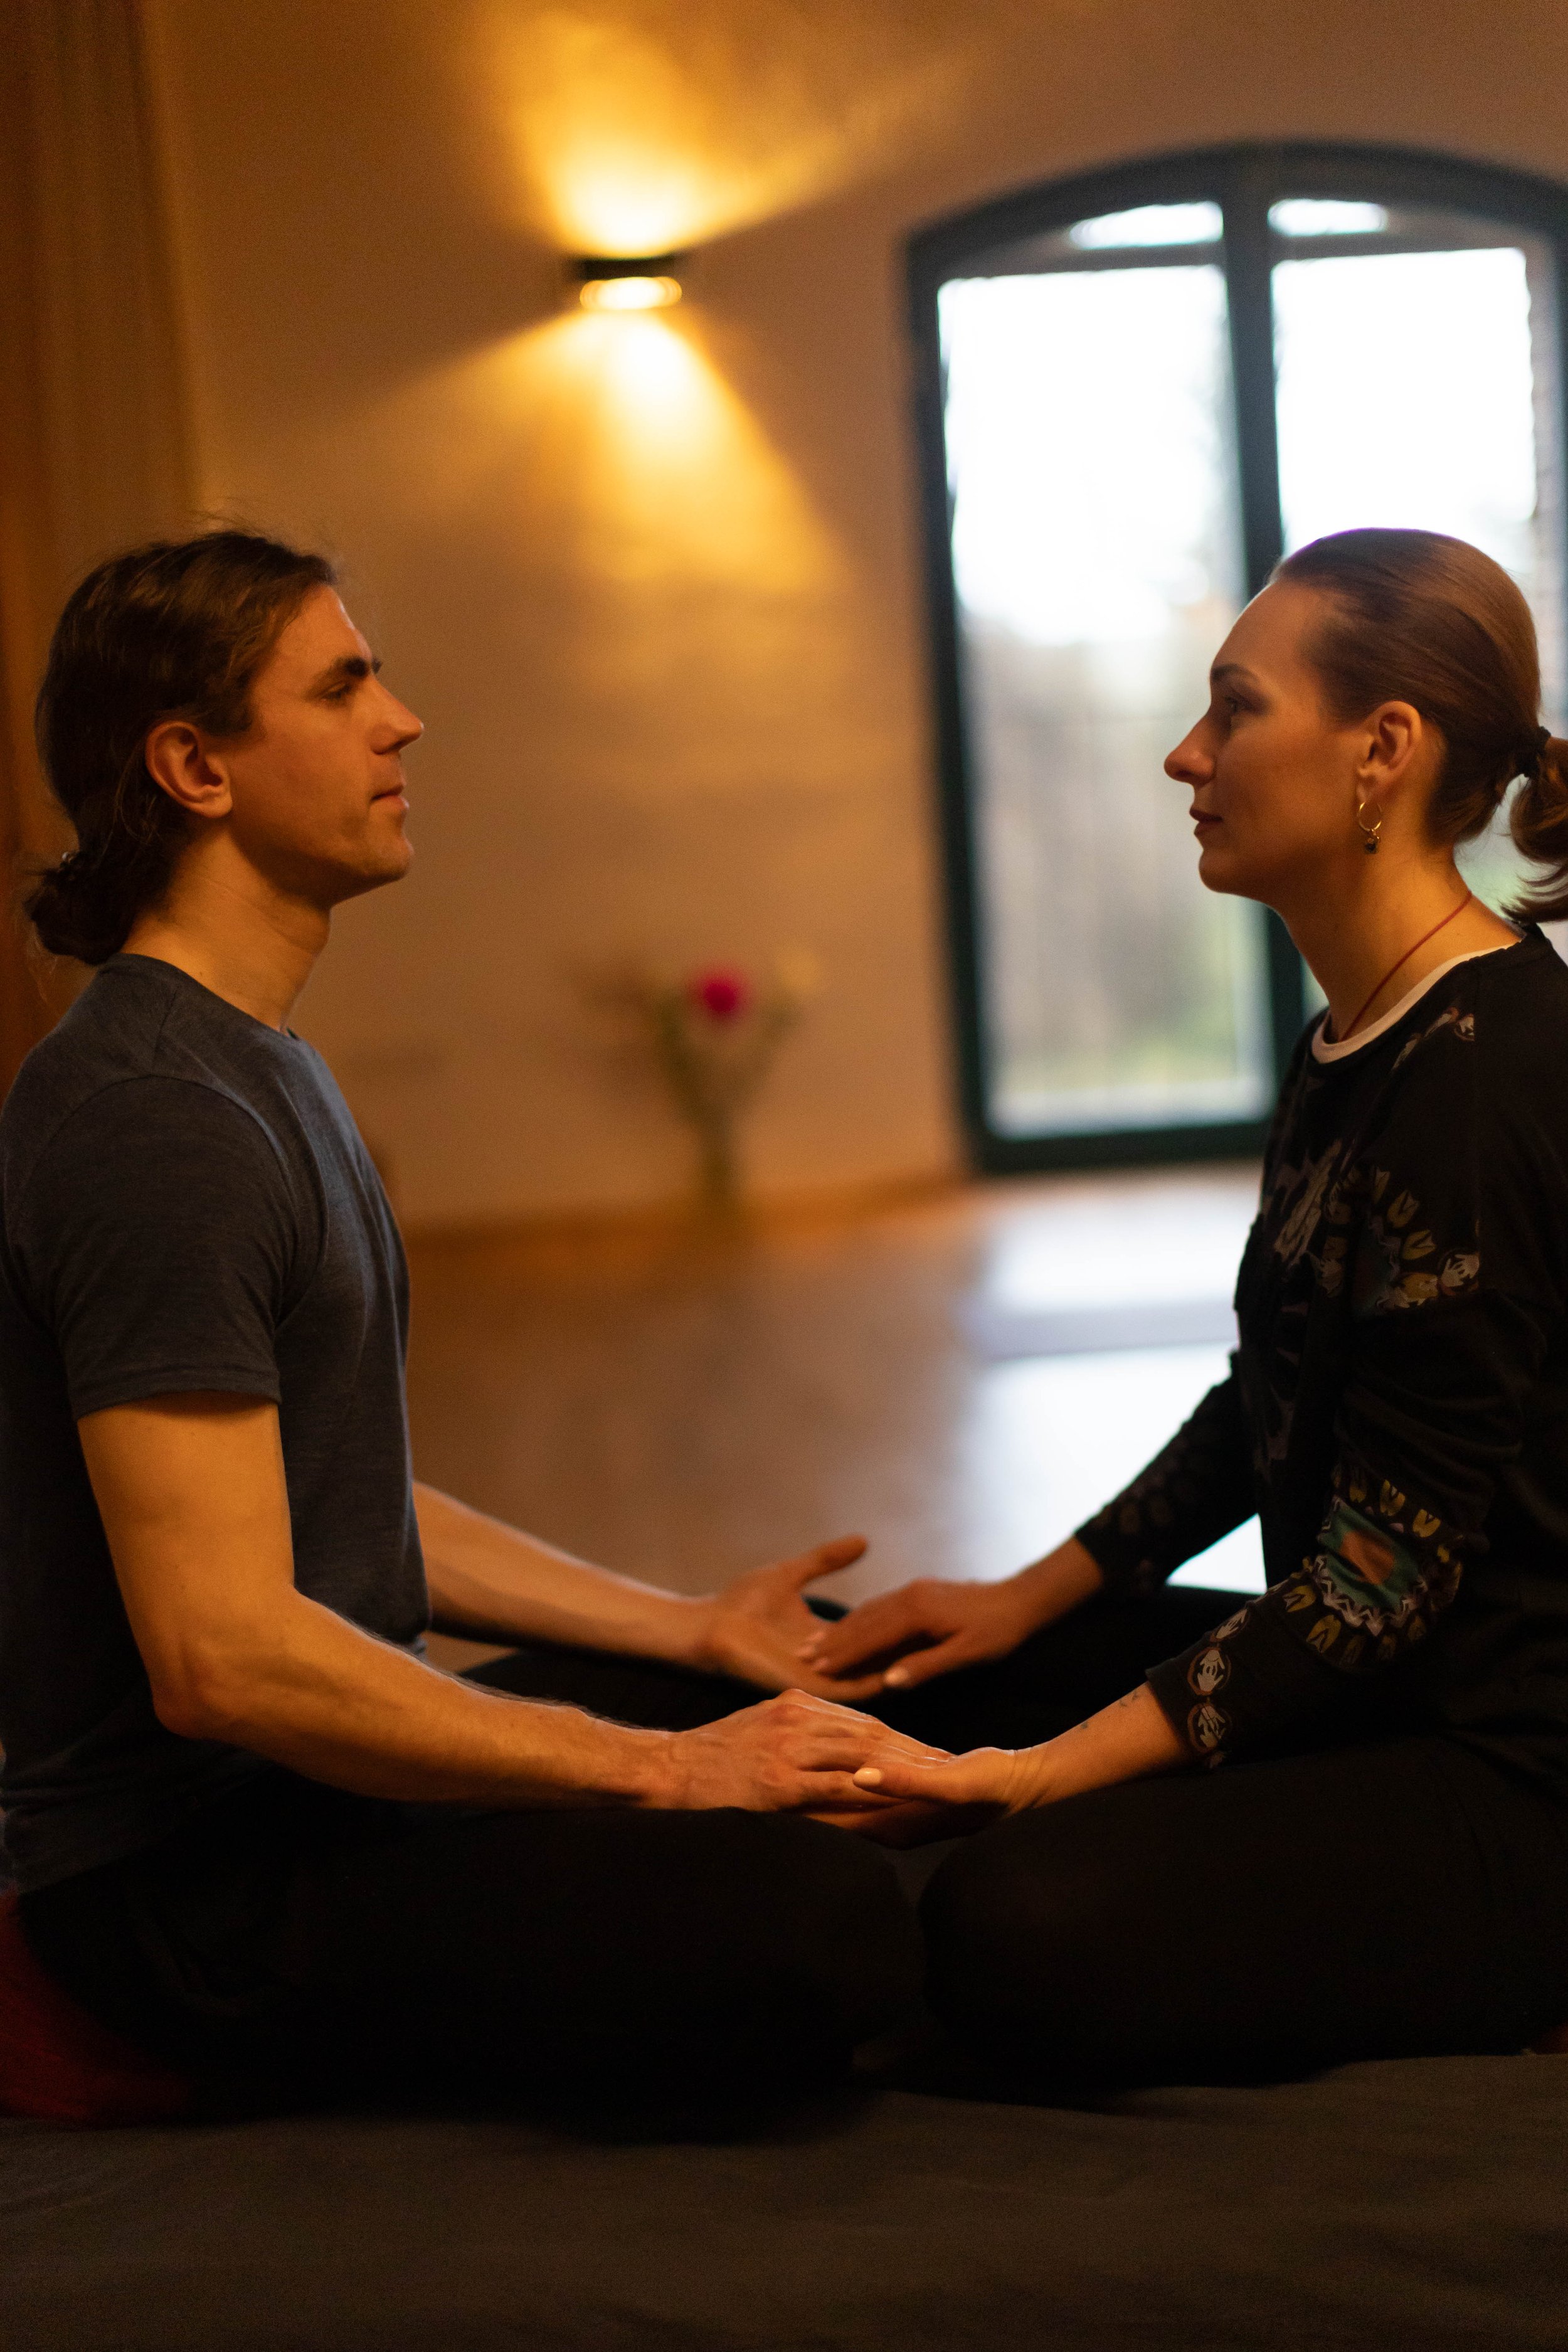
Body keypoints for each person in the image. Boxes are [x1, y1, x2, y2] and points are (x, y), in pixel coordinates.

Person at [0, 530, 946, 2117]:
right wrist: (663, 1770)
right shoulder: (154, 1120)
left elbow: (334, 1508)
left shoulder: (251, 1064)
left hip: (317, 1794)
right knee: (818, 1921)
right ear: (194, 766)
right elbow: (223, 1659)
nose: (403, 720)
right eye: (344, 683)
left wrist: (686, 1631)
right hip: (188, 1890)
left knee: (865, 1714)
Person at [800, 526, 1568, 2085]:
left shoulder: (1482, 1081)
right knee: (895, 1669)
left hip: (1498, 1772)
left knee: (1012, 1920)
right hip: (1364, 1686)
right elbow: (1266, 1399)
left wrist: (1035, 1783)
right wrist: (1024, 1599)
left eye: (1232, 710)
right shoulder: (1364, 1028)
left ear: (1381, 751)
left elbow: (1372, 1585)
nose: (1183, 752)